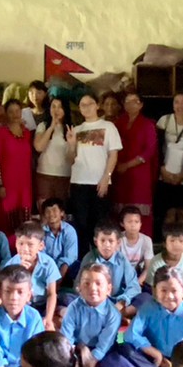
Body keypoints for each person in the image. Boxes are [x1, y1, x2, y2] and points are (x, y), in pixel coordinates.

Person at [101, 267, 183, 367]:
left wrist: (176, 364)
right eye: (163, 290)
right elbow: (130, 335)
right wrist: (155, 353)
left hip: (177, 362)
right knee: (122, 344)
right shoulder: (148, 308)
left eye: (174, 291)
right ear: (154, 291)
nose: (169, 296)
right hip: (150, 357)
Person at [65, 91, 121, 251]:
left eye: (89, 104)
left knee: (100, 224)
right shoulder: (76, 129)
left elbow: (113, 155)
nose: (86, 108)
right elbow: (70, 160)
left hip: (99, 182)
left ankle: (100, 259)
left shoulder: (108, 126)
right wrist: (70, 144)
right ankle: (83, 262)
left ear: (97, 105)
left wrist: (106, 177)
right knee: (81, 225)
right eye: (82, 105)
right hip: (79, 183)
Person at [0, 220, 62, 329]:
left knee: (51, 327)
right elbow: (4, 290)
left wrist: (48, 318)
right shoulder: (11, 263)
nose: (25, 249)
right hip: (19, 304)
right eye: (21, 244)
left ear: (41, 246)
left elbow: (51, 293)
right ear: (15, 243)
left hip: (42, 304)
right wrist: (20, 271)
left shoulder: (48, 263)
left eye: (30, 245)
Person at [111, 90, 158, 234]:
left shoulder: (147, 125)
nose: (131, 105)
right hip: (119, 174)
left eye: (135, 102)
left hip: (139, 175)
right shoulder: (118, 123)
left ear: (141, 105)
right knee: (119, 211)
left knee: (140, 213)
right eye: (127, 102)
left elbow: (149, 151)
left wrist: (128, 165)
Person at [155, 92, 183, 246]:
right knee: (168, 211)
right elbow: (156, 147)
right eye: (176, 102)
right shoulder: (164, 121)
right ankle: (167, 242)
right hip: (165, 173)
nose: (179, 106)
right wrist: (161, 169)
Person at [60, 263, 121, 367]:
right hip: (78, 349)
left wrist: (90, 362)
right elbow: (67, 338)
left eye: (98, 284)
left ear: (108, 289)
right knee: (58, 359)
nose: (92, 288)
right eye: (86, 283)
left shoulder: (113, 314)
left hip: (102, 352)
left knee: (120, 363)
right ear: (79, 288)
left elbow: (103, 346)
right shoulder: (73, 308)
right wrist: (74, 357)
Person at [78, 219, 141, 318]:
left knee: (145, 299)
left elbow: (134, 286)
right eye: (102, 240)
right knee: (68, 298)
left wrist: (122, 302)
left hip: (117, 300)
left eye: (111, 241)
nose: (106, 245)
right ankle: (113, 316)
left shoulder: (121, 259)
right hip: (95, 299)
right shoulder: (89, 258)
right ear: (95, 241)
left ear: (118, 242)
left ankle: (115, 314)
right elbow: (79, 286)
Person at [0, 98, 34, 233]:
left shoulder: (26, 133)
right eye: (11, 112)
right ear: (6, 114)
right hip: (7, 185)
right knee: (6, 221)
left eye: (17, 111)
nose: (15, 115)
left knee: (25, 222)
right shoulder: (0, 132)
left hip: (24, 184)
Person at [144, 222, 183, 307]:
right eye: (172, 241)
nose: (176, 245)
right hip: (163, 297)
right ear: (164, 244)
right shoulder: (156, 261)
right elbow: (154, 290)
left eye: (181, 241)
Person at [32, 96, 73, 205]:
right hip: (44, 174)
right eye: (53, 106)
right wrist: (51, 127)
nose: (56, 110)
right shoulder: (43, 126)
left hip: (64, 175)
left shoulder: (71, 129)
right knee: (44, 207)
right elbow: (38, 147)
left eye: (60, 107)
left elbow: (73, 157)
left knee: (60, 210)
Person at [39, 197, 79, 281]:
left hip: (65, 268)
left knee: (76, 266)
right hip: (48, 268)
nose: (51, 214)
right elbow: (42, 256)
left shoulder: (69, 231)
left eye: (54, 210)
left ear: (62, 213)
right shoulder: (41, 232)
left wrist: (59, 279)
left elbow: (69, 258)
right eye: (47, 212)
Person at [117, 205, 154, 280]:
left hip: (138, 274)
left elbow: (148, 268)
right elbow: (116, 265)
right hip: (120, 275)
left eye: (136, 222)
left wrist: (138, 282)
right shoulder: (118, 239)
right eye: (129, 222)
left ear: (140, 224)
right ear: (122, 223)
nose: (133, 225)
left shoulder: (146, 240)